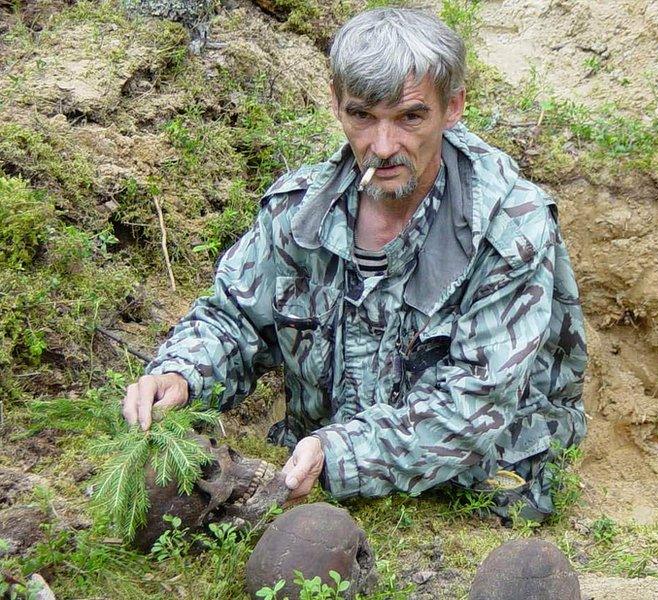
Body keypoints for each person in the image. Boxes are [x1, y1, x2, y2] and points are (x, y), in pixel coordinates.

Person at [121, 7, 587, 523]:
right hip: (313, 480)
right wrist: (183, 372)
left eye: (410, 117)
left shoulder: (509, 228)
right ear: (337, 106)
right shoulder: (300, 212)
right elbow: (233, 317)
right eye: (363, 116)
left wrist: (340, 453)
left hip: (477, 494)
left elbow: (476, 404)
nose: (382, 147)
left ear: (452, 107)